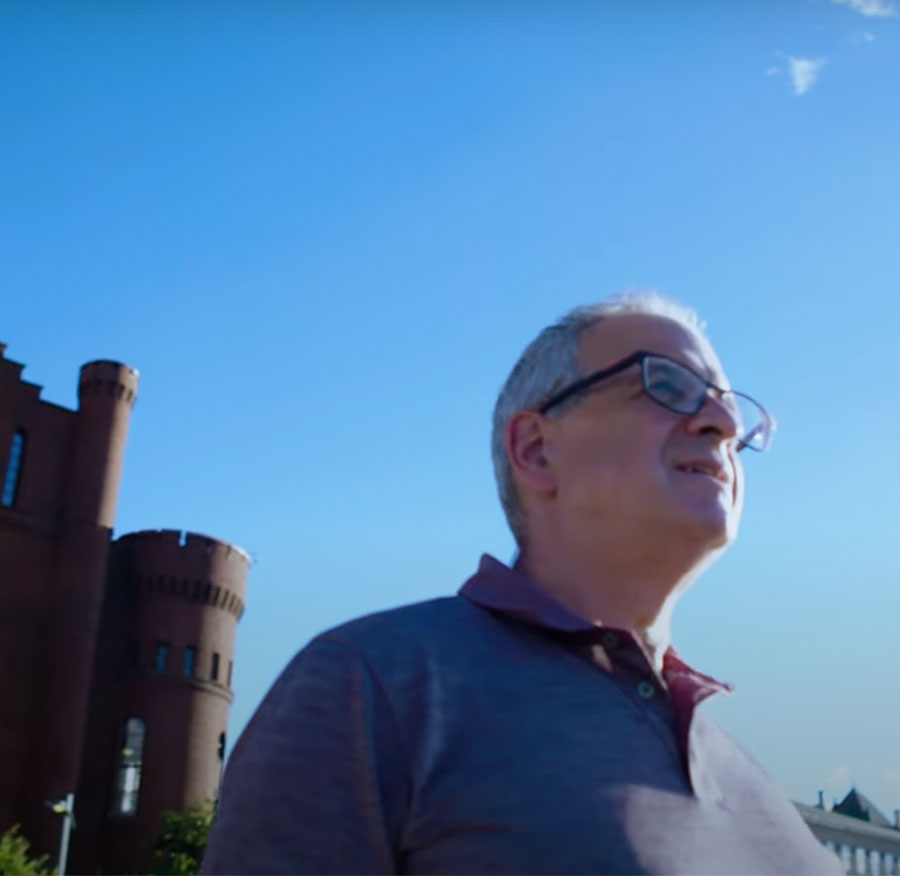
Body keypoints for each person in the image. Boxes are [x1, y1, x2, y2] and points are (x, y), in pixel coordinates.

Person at [201, 292, 842, 875]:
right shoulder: (371, 687)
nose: (722, 426)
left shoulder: (751, 781)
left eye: (731, 412)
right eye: (668, 385)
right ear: (536, 449)